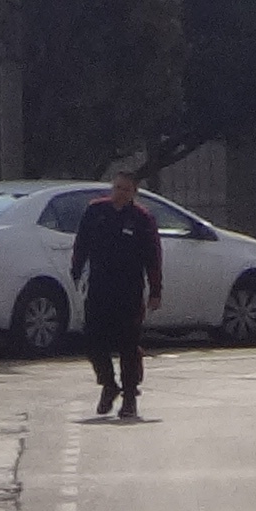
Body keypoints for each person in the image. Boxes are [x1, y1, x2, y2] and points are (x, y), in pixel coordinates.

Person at [69, 163, 163, 420]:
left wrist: (155, 290)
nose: (119, 193)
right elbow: (82, 245)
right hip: (100, 287)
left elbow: (153, 257)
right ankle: (108, 384)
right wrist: (76, 270)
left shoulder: (142, 219)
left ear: (134, 192)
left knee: (128, 344)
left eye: (125, 189)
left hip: (129, 290)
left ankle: (130, 397)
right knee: (93, 340)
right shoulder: (95, 211)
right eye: (116, 187)